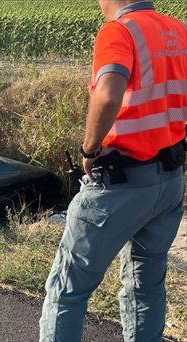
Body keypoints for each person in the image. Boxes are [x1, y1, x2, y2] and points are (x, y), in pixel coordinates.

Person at [39, 1, 187, 341]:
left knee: (68, 290)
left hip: (119, 184)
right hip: (169, 182)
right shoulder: (177, 31)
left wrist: (89, 150)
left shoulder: (119, 31)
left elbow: (107, 94)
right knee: (145, 285)